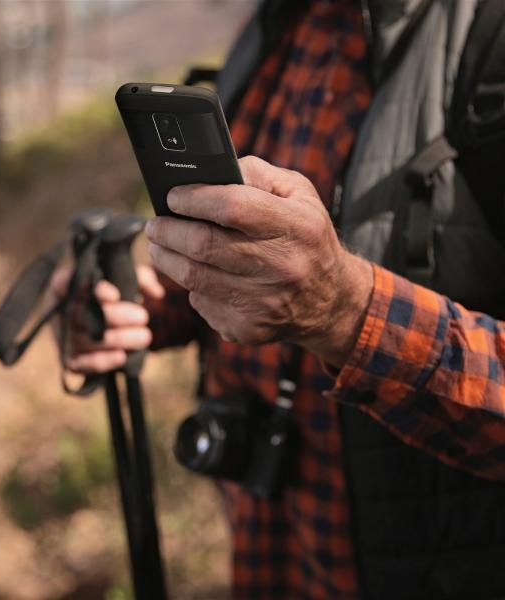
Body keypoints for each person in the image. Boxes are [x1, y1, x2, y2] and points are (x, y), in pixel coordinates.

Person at [52, 0, 505, 598]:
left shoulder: (487, 40)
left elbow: (317, 288)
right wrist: (140, 302)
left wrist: (345, 312)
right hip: (273, 549)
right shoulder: (279, 28)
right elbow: (260, 256)